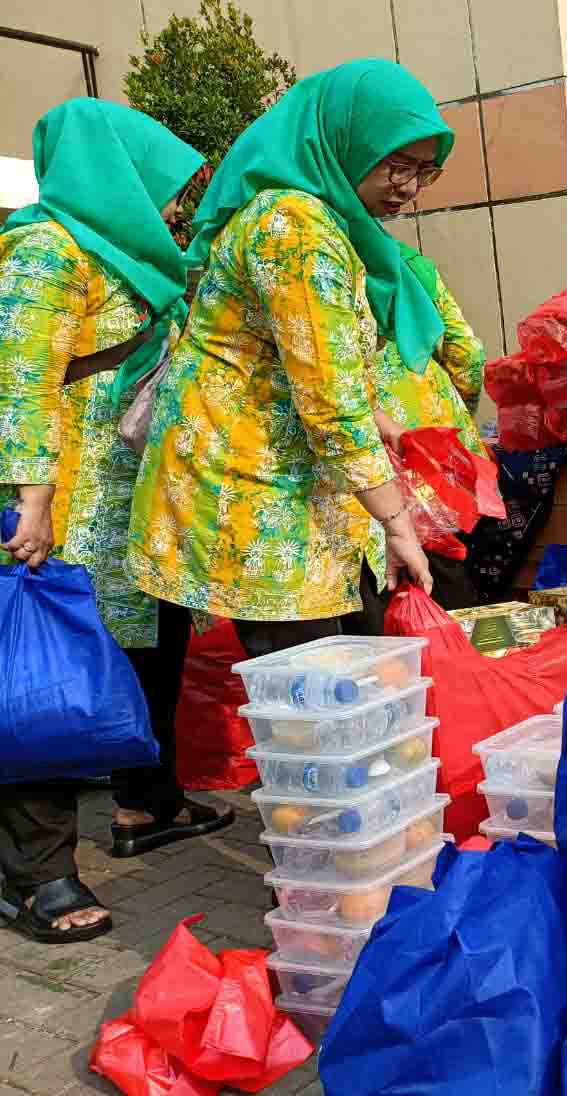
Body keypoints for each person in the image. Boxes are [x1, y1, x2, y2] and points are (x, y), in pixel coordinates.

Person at [128, 59, 448, 662]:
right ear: (343, 143)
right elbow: (328, 400)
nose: (407, 187)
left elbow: (308, 366)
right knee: (309, 703)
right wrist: (399, 523)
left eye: (423, 172)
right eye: (396, 165)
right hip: (256, 496)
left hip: (298, 487)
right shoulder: (293, 227)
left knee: (345, 695)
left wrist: (379, 427)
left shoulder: (328, 223)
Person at [0, 100, 226, 943]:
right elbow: (17, 377)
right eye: (157, 182)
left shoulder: (126, 258)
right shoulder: (46, 250)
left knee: (148, 652)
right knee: (39, 684)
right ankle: (37, 875)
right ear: (112, 174)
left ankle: (147, 803)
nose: (172, 204)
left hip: (126, 506)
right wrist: (32, 494)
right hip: (52, 508)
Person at [347, 238, 488, 633]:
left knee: (380, 578)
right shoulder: (409, 265)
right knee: (446, 566)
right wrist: (459, 411)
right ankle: (459, 665)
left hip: (366, 443)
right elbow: (466, 352)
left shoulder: (333, 260)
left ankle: (400, 674)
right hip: (431, 440)